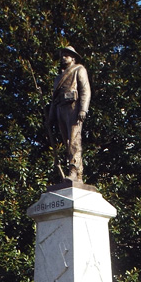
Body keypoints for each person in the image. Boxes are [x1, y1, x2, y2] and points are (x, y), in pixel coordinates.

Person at [47, 45, 91, 181]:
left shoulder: (79, 69)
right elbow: (54, 99)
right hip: (61, 108)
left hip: (73, 107)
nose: (63, 58)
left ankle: (73, 171)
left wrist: (83, 109)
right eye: (62, 55)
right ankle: (79, 174)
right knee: (68, 143)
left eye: (66, 55)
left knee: (74, 140)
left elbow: (85, 90)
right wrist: (50, 117)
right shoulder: (57, 79)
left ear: (73, 58)